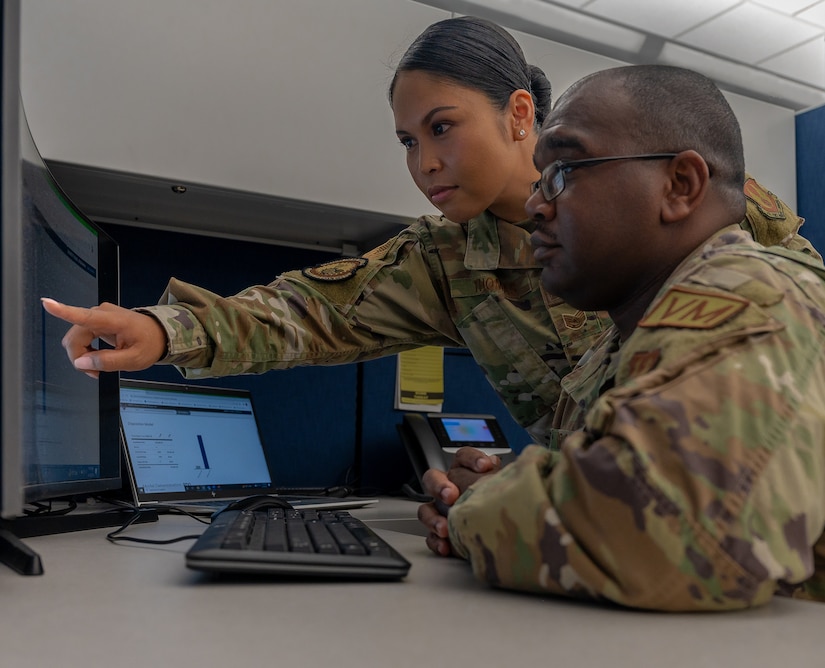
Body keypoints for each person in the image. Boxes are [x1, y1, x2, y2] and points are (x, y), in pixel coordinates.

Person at [40, 16, 817, 453]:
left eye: (442, 127)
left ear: (519, 115)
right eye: (408, 141)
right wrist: (162, 329)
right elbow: (312, 311)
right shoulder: (448, 260)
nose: (425, 161)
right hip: (595, 539)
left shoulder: (681, 188)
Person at [418, 64, 825, 612]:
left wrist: (479, 503)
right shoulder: (614, 347)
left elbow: (672, 539)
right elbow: (609, 481)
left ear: (679, 186)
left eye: (564, 170)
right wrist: (519, 482)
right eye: (540, 179)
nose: (537, 204)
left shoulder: (752, 296)